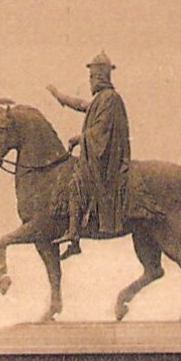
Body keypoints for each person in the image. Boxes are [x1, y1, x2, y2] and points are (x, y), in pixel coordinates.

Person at [48, 52, 131, 251]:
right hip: (98, 153)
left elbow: (102, 130)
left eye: (92, 77)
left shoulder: (110, 98)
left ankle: (74, 233)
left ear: (100, 76)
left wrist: (80, 138)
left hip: (106, 157)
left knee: (76, 182)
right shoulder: (101, 99)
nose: (90, 81)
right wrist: (60, 97)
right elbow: (82, 105)